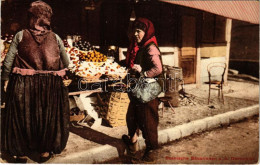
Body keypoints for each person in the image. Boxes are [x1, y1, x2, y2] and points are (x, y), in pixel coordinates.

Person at [1, 1, 70, 163]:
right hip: (50, 86)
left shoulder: (20, 35)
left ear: (33, 18)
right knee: (47, 116)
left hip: (24, 84)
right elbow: (66, 62)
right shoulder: (56, 37)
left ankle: (20, 152)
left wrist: (4, 79)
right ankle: (45, 151)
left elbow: (8, 61)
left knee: (23, 115)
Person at [123, 17, 163, 163]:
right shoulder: (142, 46)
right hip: (139, 90)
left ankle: (151, 150)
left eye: (138, 31)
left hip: (148, 92)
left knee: (148, 121)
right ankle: (132, 141)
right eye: (134, 30)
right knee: (132, 116)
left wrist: (143, 72)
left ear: (146, 32)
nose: (135, 34)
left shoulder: (151, 47)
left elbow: (158, 69)